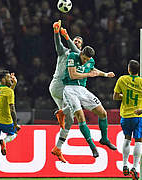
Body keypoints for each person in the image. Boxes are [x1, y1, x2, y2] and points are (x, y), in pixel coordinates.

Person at [62, 45, 117, 159]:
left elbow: (93, 70)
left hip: (83, 89)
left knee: (103, 113)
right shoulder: (73, 56)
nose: (86, 61)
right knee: (81, 117)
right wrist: (88, 75)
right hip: (70, 89)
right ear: (81, 53)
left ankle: (104, 139)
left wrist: (106, 74)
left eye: (88, 59)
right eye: (85, 58)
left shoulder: (90, 61)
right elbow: (72, 75)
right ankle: (92, 146)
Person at [49, 20, 84, 163]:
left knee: (70, 120)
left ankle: (58, 148)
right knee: (76, 109)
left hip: (59, 89)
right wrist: (56, 33)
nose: (76, 42)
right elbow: (58, 46)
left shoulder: (80, 55)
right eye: (75, 40)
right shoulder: (65, 52)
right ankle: (62, 111)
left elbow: (77, 51)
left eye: (79, 42)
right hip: (60, 86)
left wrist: (67, 37)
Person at [113, 60, 142, 180]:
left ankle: (125, 164)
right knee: (139, 141)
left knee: (127, 139)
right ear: (138, 70)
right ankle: (135, 167)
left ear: (129, 69)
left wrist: (123, 95)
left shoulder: (122, 79)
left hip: (126, 115)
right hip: (138, 116)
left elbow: (115, 97)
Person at [0, 70, 21, 180]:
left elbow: (6, 93)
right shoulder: (9, 92)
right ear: (2, 79)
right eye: (7, 77)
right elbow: (12, 109)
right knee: (14, 133)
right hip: (6, 121)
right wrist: (15, 124)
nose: (10, 79)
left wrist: (12, 84)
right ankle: (4, 141)